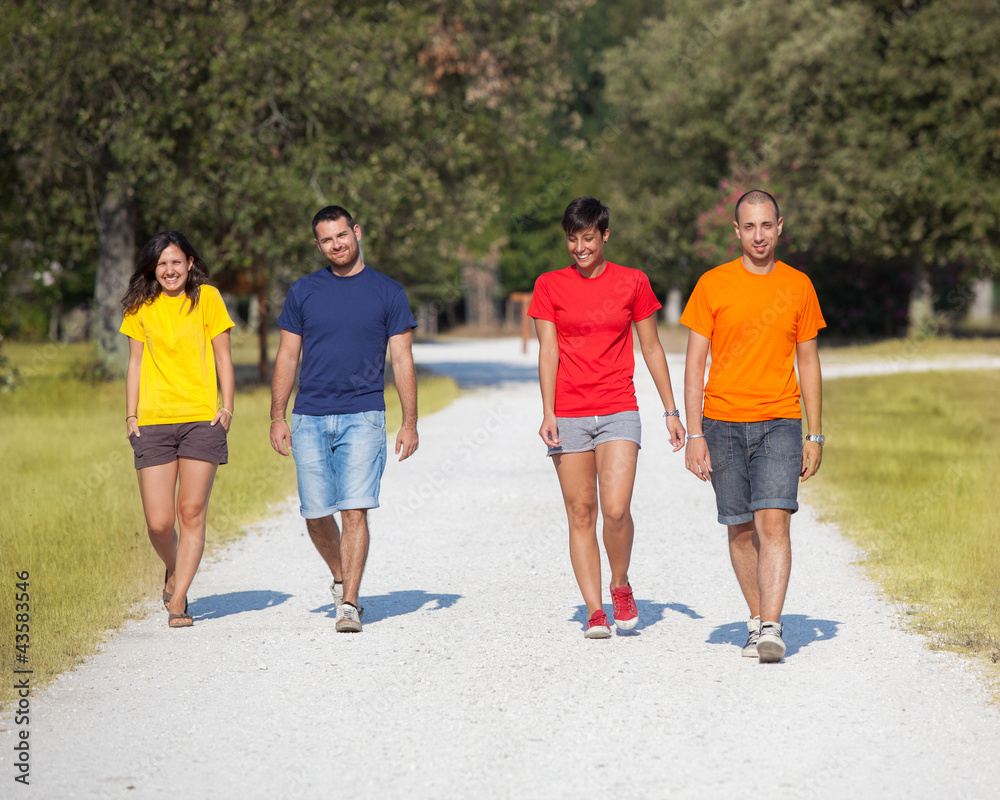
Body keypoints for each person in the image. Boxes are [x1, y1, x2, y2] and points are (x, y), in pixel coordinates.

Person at [528, 197, 686, 639]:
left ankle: (620, 584)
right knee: (581, 513)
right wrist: (548, 412)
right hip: (570, 412)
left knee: (615, 511)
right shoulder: (549, 285)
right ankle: (595, 609)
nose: (579, 247)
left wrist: (671, 410)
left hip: (619, 407)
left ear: (605, 236)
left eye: (588, 238)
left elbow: (652, 348)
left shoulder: (633, 282)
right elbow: (548, 350)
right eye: (572, 239)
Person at [680, 189, 825, 663]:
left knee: (774, 522)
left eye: (767, 225)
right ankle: (758, 616)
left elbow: (809, 362)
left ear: (780, 226)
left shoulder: (799, 285)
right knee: (740, 527)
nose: (759, 235)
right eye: (750, 227)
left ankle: (771, 626)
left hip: (780, 420)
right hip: (720, 423)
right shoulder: (712, 284)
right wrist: (695, 434)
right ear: (736, 231)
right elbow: (694, 361)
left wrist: (815, 433)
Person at [270, 205, 418, 633]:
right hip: (310, 416)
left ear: (357, 232)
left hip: (363, 415)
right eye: (326, 240)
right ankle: (341, 576)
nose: (336, 245)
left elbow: (402, 357)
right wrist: (277, 415)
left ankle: (349, 602)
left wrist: (410, 421)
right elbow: (287, 354)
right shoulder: (303, 291)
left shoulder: (388, 292)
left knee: (355, 510)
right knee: (315, 513)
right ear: (317, 245)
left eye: (342, 235)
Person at [121, 231, 235, 629]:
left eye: (176, 262)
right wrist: (131, 415)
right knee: (159, 523)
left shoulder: (209, 298)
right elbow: (135, 363)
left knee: (191, 511)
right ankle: (174, 568)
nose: (170, 270)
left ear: (190, 263)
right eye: (162, 263)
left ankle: (179, 598)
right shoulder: (141, 305)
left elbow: (223, 355)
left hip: (201, 419)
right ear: (154, 268)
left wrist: (227, 407)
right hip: (152, 421)